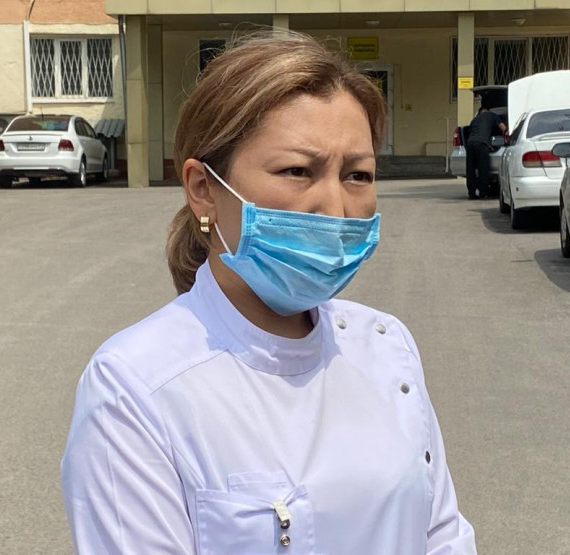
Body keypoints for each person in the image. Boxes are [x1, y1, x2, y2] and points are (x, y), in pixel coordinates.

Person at [61, 31, 477, 555]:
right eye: (297, 171)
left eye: (358, 175)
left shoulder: (385, 347)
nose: (335, 207)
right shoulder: (135, 387)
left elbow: (442, 534)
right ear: (203, 189)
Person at [466, 105, 507, 200]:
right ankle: (483, 193)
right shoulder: (492, 115)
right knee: (483, 169)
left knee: (470, 170)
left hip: (470, 144)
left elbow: (471, 133)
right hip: (481, 144)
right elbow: (504, 129)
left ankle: (471, 194)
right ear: (488, 111)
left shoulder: (474, 120)